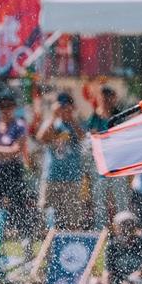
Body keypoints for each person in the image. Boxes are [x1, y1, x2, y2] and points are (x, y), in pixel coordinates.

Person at [0, 91, 35, 260]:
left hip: (13, 174)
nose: (5, 110)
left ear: (14, 108)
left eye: (8, 106)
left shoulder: (19, 125)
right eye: (2, 107)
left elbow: (16, 152)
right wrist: (2, 152)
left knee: (19, 211)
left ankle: (27, 251)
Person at [36, 91, 86, 229]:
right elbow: (41, 138)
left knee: (72, 218)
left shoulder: (77, 123)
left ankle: (69, 246)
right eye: (61, 106)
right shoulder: (51, 122)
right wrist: (53, 116)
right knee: (46, 215)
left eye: (67, 106)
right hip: (52, 176)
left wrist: (72, 118)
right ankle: (48, 245)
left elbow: (83, 138)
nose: (64, 109)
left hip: (72, 178)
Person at [86, 86, 130, 230]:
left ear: (114, 99)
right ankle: (101, 231)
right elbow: (89, 140)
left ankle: (123, 228)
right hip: (100, 166)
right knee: (99, 200)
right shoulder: (94, 117)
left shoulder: (119, 116)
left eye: (108, 99)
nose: (106, 102)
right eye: (103, 99)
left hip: (117, 165)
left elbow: (123, 138)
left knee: (121, 200)